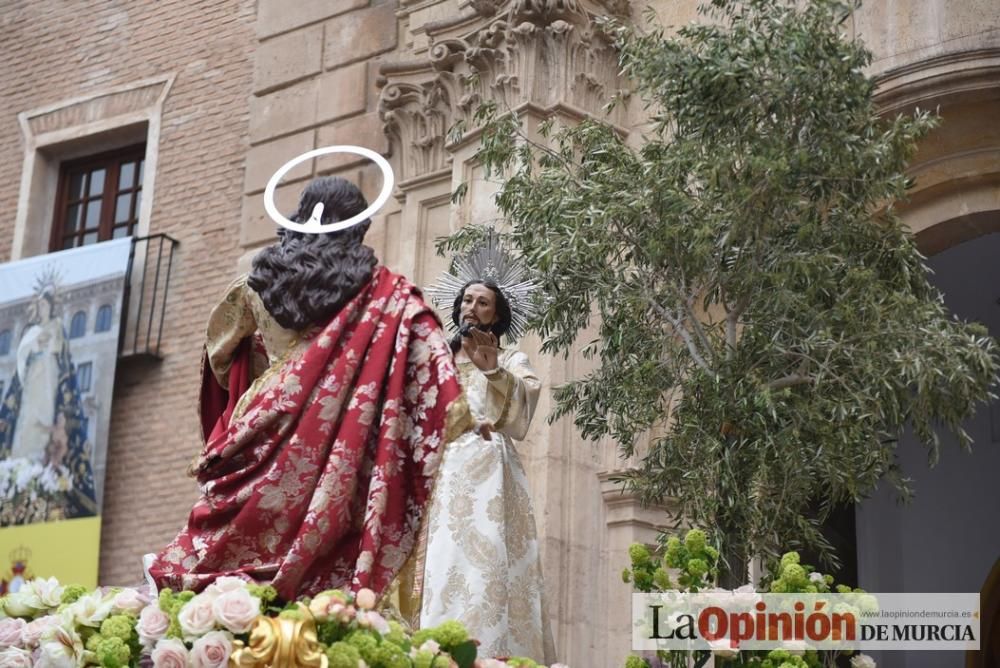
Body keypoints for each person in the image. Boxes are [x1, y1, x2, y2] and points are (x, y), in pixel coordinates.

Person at [147, 177, 474, 602]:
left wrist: (271, 372)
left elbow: (220, 356)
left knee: (232, 541)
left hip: (260, 423)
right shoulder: (381, 293)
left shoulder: (252, 288)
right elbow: (424, 340)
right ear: (357, 226)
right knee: (329, 538)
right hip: (341, 440)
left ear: (298, 217)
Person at [412, 237, 556, 662]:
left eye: (483, 303)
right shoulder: (438, 357)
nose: (471, 308)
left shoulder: (511, 357)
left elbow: (523, 406)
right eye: (467, 300)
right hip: (440, 471)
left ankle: (487, 649)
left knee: (486, 561)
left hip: (488, 473)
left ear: (497, 314)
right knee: (436, 557)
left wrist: (493, 371)